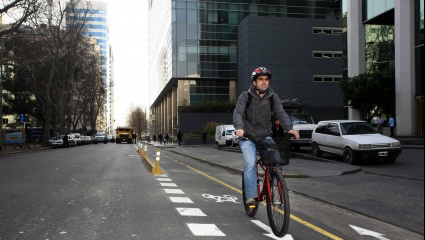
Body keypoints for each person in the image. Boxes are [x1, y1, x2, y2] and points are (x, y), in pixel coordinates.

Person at [233, 67, 299, 206]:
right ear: (255, 82)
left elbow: (281, 113)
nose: (264, 82)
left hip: (265, 136)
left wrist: (290, 129)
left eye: (266, 79)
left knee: (275, 162)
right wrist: (239, 128)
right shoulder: (246, 96)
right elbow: (238, 113)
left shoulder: (272, 97)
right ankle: (251, 196)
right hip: (248, 136)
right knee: (251, 164)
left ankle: (274, 190)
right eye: (261, 79)